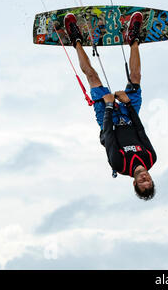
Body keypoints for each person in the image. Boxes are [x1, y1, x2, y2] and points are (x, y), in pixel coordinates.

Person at [64, 11, 156, 201]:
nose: (145, 178)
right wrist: (128, 104)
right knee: (136, 79)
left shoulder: (119, 163)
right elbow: (140, 130)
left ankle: (76, 39)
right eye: (149, 181)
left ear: (135, 183)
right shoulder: (150, 158)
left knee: (92, 77)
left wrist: (107, 105)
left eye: (142, 183)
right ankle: (134, 39)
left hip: (110, 121)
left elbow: (108, 135)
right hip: (130, 116)